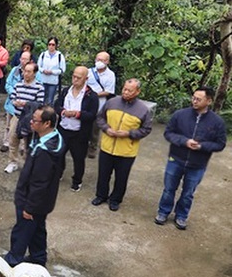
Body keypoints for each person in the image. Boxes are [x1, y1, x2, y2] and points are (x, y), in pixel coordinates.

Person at [154, 87, 227, 230]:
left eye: (198, 99)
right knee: (169, 189)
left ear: (209, 101)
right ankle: (163, 212)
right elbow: (168, 133)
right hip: (176, 158)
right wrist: (184, 141)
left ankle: (181, 216)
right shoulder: (180, 115)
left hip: (198, 164)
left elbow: (220, 144)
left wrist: (202, 146)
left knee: (188, 193)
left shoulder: (217, 122)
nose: (194, 101)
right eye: (193, 97)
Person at [4, 106, 65, 267]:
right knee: (37, 230)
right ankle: (38, 258)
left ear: (47, 124)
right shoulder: (51, 138)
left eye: (35, 120)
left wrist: (29, 208)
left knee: (22, 231)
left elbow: (40, 182)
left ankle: (13, 260)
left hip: (32, 201)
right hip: (42, 202)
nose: (31, 122)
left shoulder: (46, 151)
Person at [93, 79, 152, 211]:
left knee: (121, 177)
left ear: (138, 92)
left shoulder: (143, 110)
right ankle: (101, 195)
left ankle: (115, 200)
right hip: (107, 146)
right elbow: (100, 118)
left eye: (129, 90)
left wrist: (129, 134)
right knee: (103, 174)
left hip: (127, 150)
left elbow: (146, 129)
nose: (125, 92)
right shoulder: (111, 102)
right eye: (124, 89)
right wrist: (107, 129)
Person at [54, 66, 98, 191]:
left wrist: (77, 114)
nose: (75, 79)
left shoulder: (91, 96)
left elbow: (92, 115)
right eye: (74, 76)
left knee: (78, 158)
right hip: (63, 128)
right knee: (59, 154)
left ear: (86, 78)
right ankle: (59, 173)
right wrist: (62, 111)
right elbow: (57, 104)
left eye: (79, 78)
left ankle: (77, 180)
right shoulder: (66, 90)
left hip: (79, 133)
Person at [4, 62, 44, 174]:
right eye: (24, 71)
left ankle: (28, 164)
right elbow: (13, 97)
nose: (26, 74)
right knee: (13, 139)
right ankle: (12, 162)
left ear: (35, 73)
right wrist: (15, 102)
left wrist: (25, 104)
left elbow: (40, 104)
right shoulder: (18, 85)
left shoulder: (39, 87)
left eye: (29, 71)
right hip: (17, 116)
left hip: (30, 119)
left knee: (28, 143)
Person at [86, 51, 116, 159]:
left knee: (95, 128)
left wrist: (94, 95)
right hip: (86, 104)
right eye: (98, 59)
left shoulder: (110, 75)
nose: (100, 62)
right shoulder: (89, 72)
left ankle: (92, 148)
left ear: (107, 62)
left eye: (103, 60)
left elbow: (109, 91)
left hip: (100, 104)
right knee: (85, 126)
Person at [1, 51, 31, 152]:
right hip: (12, 102)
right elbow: (8, 84)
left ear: (30, 60)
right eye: (22, 58)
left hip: (26, 105)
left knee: (24, 126)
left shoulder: (35, 73)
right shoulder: (15, 70)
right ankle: (6, 142)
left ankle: (22, 146)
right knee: (9, 125)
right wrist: (14, 93)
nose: (22, 61)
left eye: (25, 59)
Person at [36, 37, 66, 104]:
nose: (51, 46)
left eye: (53, 44)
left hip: (53, 82)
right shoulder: (43, 54)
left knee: (50, 101)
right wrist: (43, 70)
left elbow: (62, 69)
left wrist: (52, 72)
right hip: (42, 81)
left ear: (56, 45)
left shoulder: (60, 56)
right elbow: (38, 66)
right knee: (41, 99)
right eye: (49, 44)